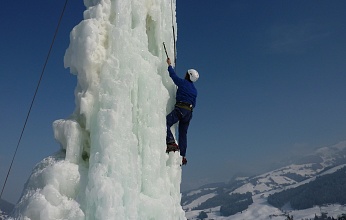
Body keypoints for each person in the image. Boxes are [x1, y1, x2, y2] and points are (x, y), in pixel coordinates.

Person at [165, 58, 199, 165]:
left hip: (181, 109)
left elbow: (173, 76)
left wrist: (169, 65)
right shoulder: (194, 90)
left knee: (165, 122)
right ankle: (182, 156)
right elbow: (194, 103)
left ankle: (170, 142)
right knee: (183, 134)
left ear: (188, 75)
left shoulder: (183, 83)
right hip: (189, 113)